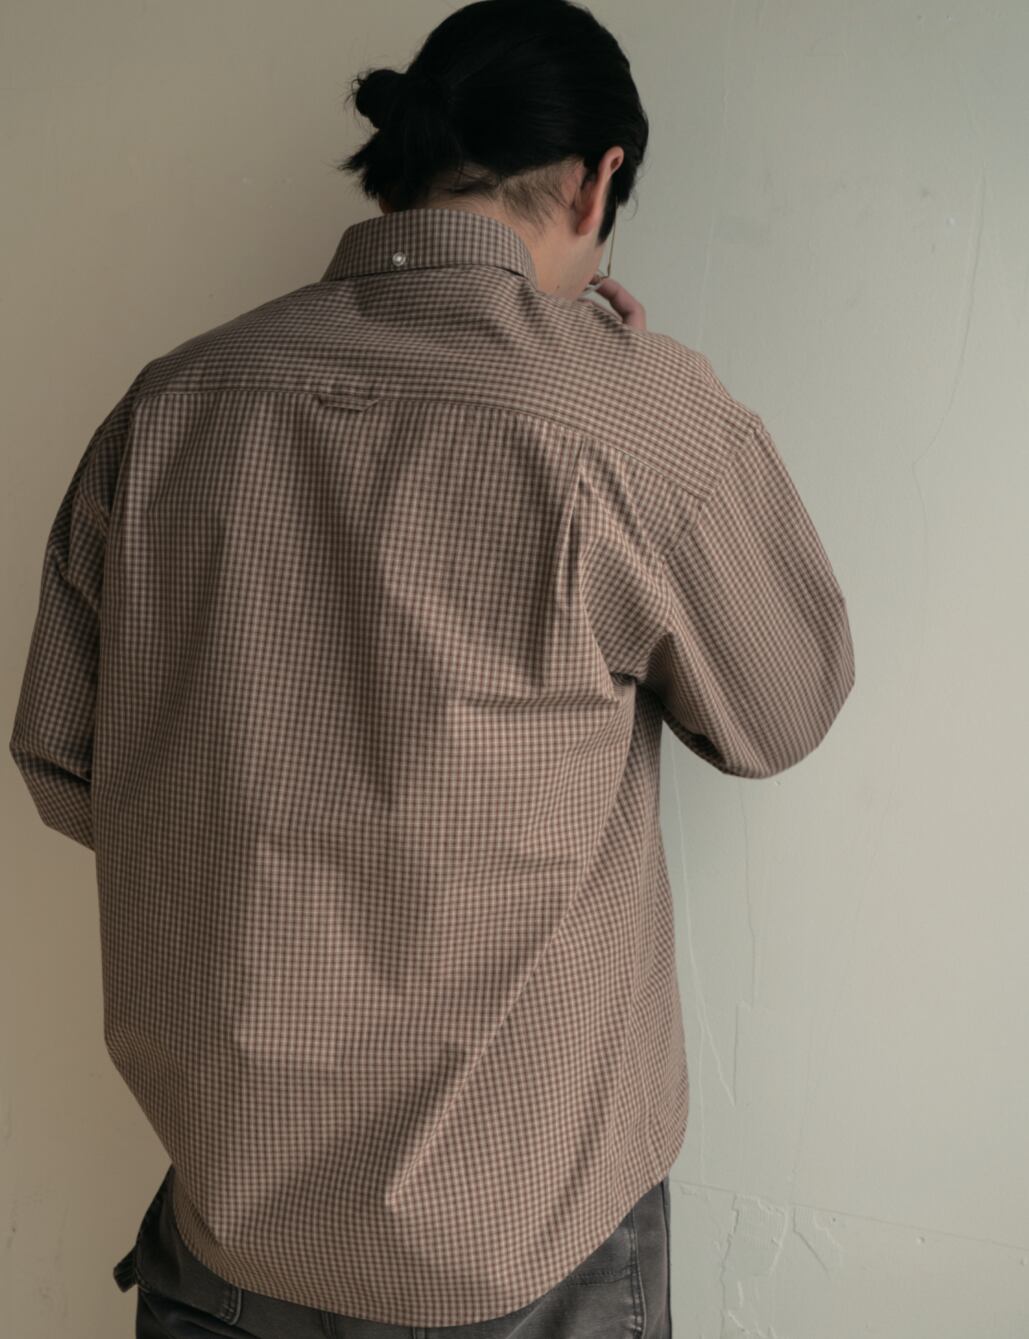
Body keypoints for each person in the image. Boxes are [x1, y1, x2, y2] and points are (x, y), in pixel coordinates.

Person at [8, 2, 855, 1336]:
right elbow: (783, 706)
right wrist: (656, 405)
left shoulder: (169, 403)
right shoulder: (632, 416)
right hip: (526, 1249)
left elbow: (67, 765)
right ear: (596, 181)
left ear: (398, 158)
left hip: (230, 1231)